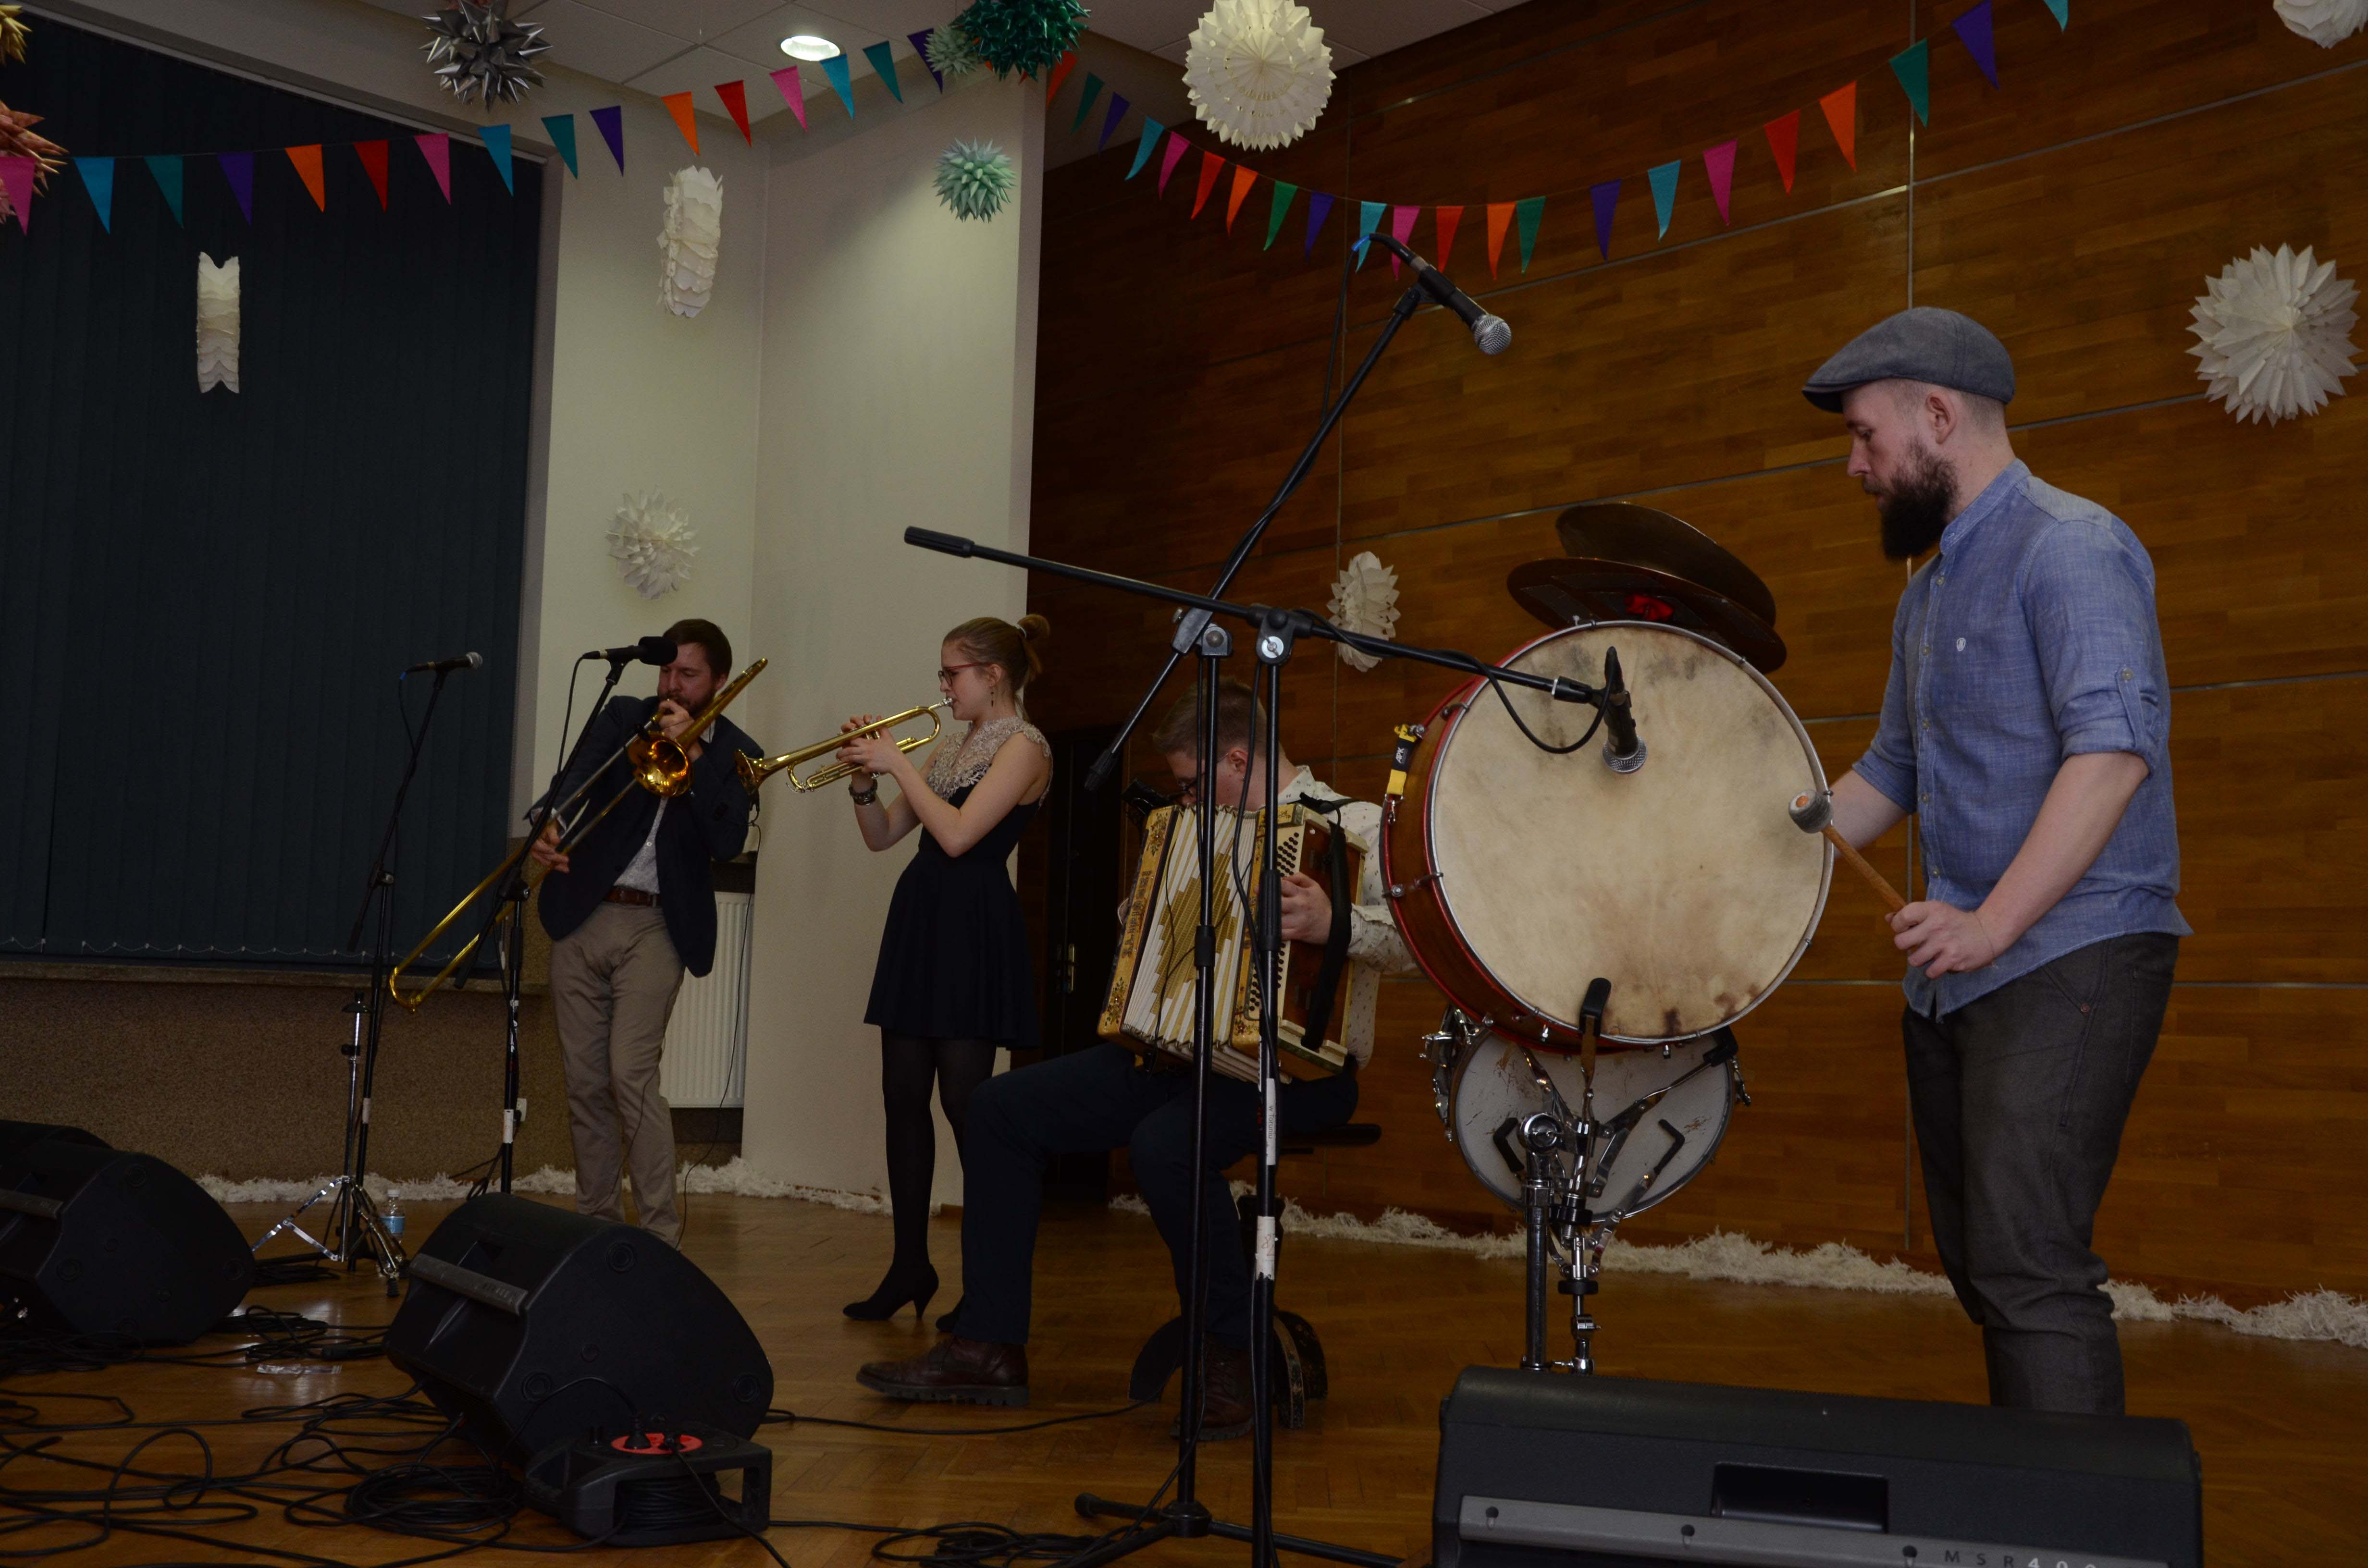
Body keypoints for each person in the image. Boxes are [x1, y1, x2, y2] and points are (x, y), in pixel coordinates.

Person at [854, 679, 1418, 1429]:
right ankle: (988, 1345)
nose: (1187, 798)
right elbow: (1147, 932)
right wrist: (1144, 903)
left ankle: (1231, 1354)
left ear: (1238, 760)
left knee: (1165, 1144)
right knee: (997, 1109)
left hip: (1295, 1072)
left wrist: (1333, 922)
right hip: (1177, 1056)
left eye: (1194, 782)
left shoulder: (1354, 823)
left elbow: (1416, 945)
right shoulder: (1194, 827)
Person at [1804, 307, 2185, 1415]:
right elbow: (1889, 770)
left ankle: (2073, 1512)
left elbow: (2112, 756)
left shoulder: (2072, 546)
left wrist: (1986, 924)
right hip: (1960, 975)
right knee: (1984, 1262)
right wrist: (1763, 827)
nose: (1855, 466)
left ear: (1937, 415)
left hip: (2071, 954)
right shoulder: (1924, 594)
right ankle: (2031, 1489)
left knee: (2028, 1264)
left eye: (1866, 436)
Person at [835, 614, 1055, 1323]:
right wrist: (862, 782)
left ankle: (991, 1286)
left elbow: (959, 837)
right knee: (903, 1098)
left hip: (973, 926)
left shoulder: (1026, 746)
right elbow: (884, 836)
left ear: (993, 675)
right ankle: (910, 1266)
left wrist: (897, 762)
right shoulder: (952, 746)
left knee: (967, 1105)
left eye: (952, 673)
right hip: (921, 918)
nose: (943, 687)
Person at [533, 619, 761, 1249]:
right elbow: (574, 779)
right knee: (584, 1083)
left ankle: (660, 1237)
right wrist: (549, 822)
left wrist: (697, 757)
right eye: (666, 671)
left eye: (688, 674)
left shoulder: (739, 752)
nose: (672, 686)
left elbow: (727, 841)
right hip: (585, 911)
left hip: (659, 924)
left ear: (718, 681)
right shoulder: (625, 717)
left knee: (630, 1073)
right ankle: (597, 1228)